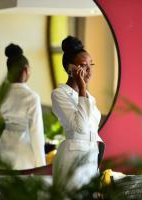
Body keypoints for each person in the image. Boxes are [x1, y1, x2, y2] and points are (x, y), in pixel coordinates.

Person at [51, 36, 105, 189]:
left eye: (91, 64)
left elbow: (91, 129)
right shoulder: (59, 94)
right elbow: (80, 127)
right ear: (71, 68)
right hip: (72, 159)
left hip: (91, 158)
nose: (89, 70)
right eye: (83, 65)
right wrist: (82, 88)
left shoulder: (90, 98)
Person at [0, 43, 46, 169]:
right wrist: (41, 166)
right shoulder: (32, 97)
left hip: (4, 146)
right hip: (24, 150)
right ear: (26, 70)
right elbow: (36, 132)